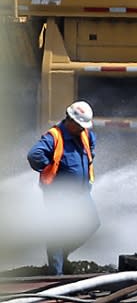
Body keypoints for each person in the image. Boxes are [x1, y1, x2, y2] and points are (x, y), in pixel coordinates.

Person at [28, 100, 100, 275]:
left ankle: (63, 255)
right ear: (70, 121)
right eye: (80, 125)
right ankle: (56, 276)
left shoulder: (85, 135)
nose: (83, 129)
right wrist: (51, 168)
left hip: (82, 192)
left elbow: (91, 147)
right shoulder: (54, 136)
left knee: (91, 224)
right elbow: (34, 155)